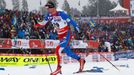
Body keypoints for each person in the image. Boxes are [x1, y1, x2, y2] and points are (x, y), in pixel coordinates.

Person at [34, 1, 85, 75]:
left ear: (53, 8)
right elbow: (43, 24)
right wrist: (37, 24)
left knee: (58, 49)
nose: (47, 10)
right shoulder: (49, 15)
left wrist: (79, 31)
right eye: (47, 8)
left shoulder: (62, 14)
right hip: (60, 36)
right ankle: (80, 60)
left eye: (48, 8)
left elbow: (72, 22)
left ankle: (58, 68)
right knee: (68, 52)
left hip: (66, 34)